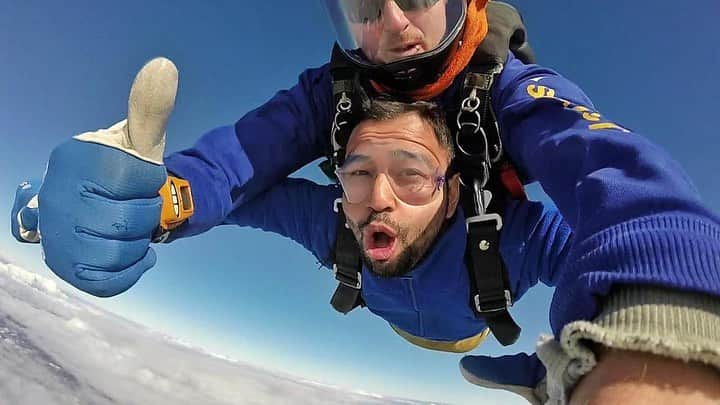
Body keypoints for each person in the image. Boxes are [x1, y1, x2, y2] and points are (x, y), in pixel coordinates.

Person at [11, 0, 720, 403]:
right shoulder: (334, 132)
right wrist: (140, 198)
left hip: (473, 304)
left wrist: (648, 332)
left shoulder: (507, 126)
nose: (390, 28)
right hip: (412, 293)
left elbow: (607, 177)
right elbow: (244, 167)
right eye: (361, 7)